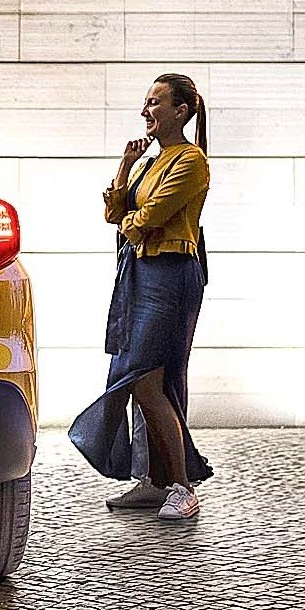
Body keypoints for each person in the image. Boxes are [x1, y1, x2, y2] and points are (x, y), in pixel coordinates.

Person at [69, 73, 212, 520]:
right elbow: (115, 211)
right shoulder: (149, 161)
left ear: (180, 111)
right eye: (146, 101)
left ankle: (183, 488)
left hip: (170, 274)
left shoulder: (191, 161)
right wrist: (125, 166)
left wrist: (130, 222)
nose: (145, 110)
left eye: (155, 102)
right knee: (143, 381)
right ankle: (155, 480)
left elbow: (145, 220)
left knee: (147, 381)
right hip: (140, 274)